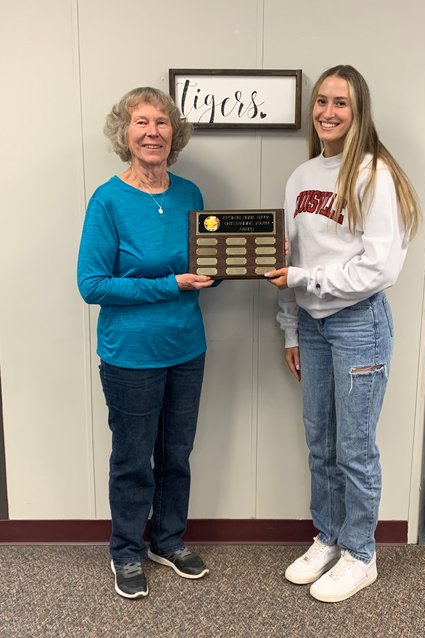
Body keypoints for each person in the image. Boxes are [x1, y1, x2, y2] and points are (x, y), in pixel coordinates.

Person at [265, 65, 419, 603]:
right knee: (320, 443)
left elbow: (380, 270)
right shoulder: (302, 176)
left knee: (353, 448)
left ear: (359, 112)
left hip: (358, 325)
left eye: (341, 103)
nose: (328, 112)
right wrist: (290, 326)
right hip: (312, 325)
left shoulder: (375, 176)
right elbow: (290, 259)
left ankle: (361, 552)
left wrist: (305, 280)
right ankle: (328, 537)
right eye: (322, 101)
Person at [77, 87, 215, 599]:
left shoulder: (190, 194)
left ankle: (168, 540)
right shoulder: (108, 200)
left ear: (174, 134)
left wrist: (240, 264)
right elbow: (91, 284)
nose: (152, 132)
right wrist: (169, 284)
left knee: (177, 453)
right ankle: (127, 550)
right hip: (130, 355)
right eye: (141, 122)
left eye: (161, 122)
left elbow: (204, 268)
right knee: (133, 458)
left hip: (187, 348)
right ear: (125, 132)